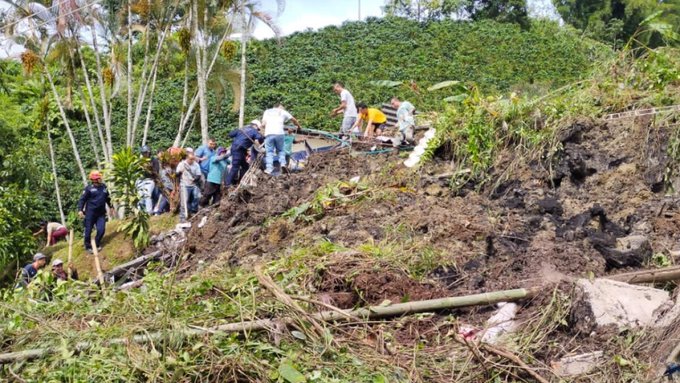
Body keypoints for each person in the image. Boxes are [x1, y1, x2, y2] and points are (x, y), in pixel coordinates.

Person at [77, 170, 115, 253]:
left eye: (99, 177)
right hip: (90, 214)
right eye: (98, 178)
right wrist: (80, 210)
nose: (99, 179)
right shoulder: (88, 189)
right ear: (93, 179)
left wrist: (111, 207)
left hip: (101, 214)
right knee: (88, 231)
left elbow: (108, 198)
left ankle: (96, 243)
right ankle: (88, 247)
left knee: (101, 230)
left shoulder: (104, 187)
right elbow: (82, 200)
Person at [261, 103, 301, 175]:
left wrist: (263, 129)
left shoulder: (266, 111)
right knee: (281, 150)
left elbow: (263, 124)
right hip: (279, 133)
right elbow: (294, 120)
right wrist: (299, 126)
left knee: (269, 152)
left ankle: (269, 168)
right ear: (279, 107)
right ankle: (283, 164)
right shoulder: (282, 111)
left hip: (269, 133)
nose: (283, 109)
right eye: (283, 108)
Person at [226, 120, 265, 186]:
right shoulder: (253, 130)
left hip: (238, 150)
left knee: (245, 166)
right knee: (235, 167)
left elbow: (230, 134)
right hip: (239, 150)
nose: (258, 130)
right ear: (255, 125)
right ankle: (227, 184)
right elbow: (260, 138)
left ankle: (241, 182)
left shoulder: (242, 129)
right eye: (258, 129)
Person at [176, 153, 203, 222]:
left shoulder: (196, 164)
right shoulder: (182, 164)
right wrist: (180, 172)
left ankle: (193, 211)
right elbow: (176, 175)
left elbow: (199, 175)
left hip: (193, 184)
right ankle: (183, 217)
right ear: (187, 158)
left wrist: (195, 179)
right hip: (184, 184)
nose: (192, 161)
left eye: (193, 159)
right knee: (184, 201)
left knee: (197, 197)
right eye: (190, 159)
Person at [137, 145, 160, 214]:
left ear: (149, 152)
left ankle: (149, 212)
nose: (144, 154)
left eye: (145, 152)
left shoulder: (154, 160)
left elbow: (156, 171)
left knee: (147, 194)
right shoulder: (140, 161)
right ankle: (140, 212)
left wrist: (149, 169)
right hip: (141, 179)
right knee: (139, 196)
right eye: (143, 153)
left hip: (150, 180)